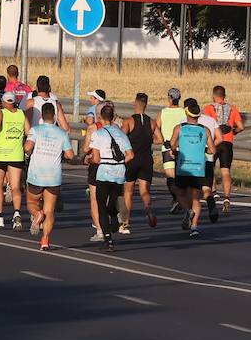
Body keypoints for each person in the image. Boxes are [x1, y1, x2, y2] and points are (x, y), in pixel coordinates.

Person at [24, 102, 75, 250]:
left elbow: (27, 148)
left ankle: (37, 214)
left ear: (41, 116)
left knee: (31, 204)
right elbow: (70, 155)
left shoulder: (35, 130)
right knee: (50, 211)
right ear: (54, 116)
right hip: (53, 177)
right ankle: (45, 240)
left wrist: (30, 151)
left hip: (36, 175)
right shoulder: (62, 133)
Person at [86, 103, 132, 253]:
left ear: (100, 117)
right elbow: (131, 155)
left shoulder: (98, 134)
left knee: (101, 206)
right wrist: (119, 162)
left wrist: (89, 159)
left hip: (104, 172)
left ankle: (108, 240)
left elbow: (96, 159)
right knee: (112, 200)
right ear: (113, 117)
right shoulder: (121, 133)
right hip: (119, 172)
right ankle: (114, 214)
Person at [169, 98, 215, 237]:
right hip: (198, 168)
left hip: (183, 166)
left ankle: (187, 210)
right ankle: (194, 227)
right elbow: (212, 150)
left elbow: (172, 144)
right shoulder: (205, 130)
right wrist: (203, 151)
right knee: (196, 198)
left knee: (179, 192)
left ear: (186, 113)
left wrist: (176, 151)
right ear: (198, 115)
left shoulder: (179, 128)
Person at [0, 91, 28, 231]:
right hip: (16, 155)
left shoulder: (0, 112)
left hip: (1, 154)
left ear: (4, 102)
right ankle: (17, 213)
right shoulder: (21, 113)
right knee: (15, 187)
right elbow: (28, 131)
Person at [121, 93, 160, 232]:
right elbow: (159, 139)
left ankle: (125, 222)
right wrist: (148, 140)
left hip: (131, 159)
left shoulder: (128, 121)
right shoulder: (152, 122)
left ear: (134, 104)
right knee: (144, 190)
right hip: (146, 160)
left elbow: (121, 137)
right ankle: (148, 210)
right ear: (146, 105)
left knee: (128, 191)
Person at [209, 85, 245, 215]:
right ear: (224, 95)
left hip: (214, 141)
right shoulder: (233, 109)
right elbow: (241, 126)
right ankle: (227, 198)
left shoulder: (208, 108)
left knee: (210, 167)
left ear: (214, 95)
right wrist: (233, 132)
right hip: (227, 143)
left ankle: (213, 192)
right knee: (225, 171)